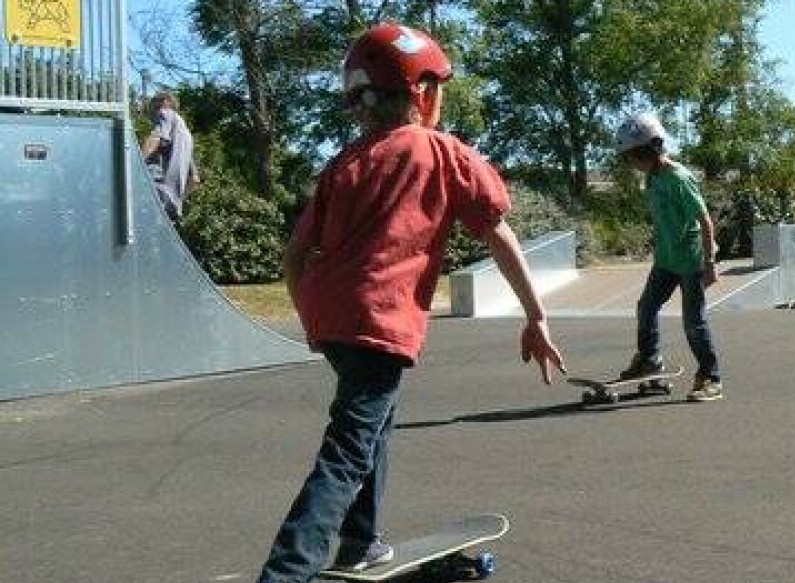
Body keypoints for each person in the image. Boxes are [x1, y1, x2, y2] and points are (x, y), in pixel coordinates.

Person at [255, 23, 565, 583]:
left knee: (375, 422)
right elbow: (498, 233)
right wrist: (536, 315)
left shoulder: (343, 164)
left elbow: (296, 254)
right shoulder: (443, 152)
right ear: (424, 93)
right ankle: (285, 572)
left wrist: (310, 320)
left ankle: (360, 541)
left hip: (331, 318)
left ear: (361, 104)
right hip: (380, 320)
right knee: (347, 449)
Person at [613, 112, 724, 403]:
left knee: (693, 322)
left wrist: (710, 264)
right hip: (665, 261)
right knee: (646, 307)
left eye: (631, 157)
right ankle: (649, 359)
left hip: (690, 261)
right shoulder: (652, 177)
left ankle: (710, 377)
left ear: (647, 151)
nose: (630, 164)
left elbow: (705, 221)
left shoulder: (679, 178)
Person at [141, 91, 198, 221]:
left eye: (152, 108)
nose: (151, 116)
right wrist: (176, 199)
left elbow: (154, 139)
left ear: (165, 103)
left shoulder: (165, 113)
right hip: (172, 207)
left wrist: (135, 163)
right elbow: (195, 179)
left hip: (157, 193)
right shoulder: (185, 135)